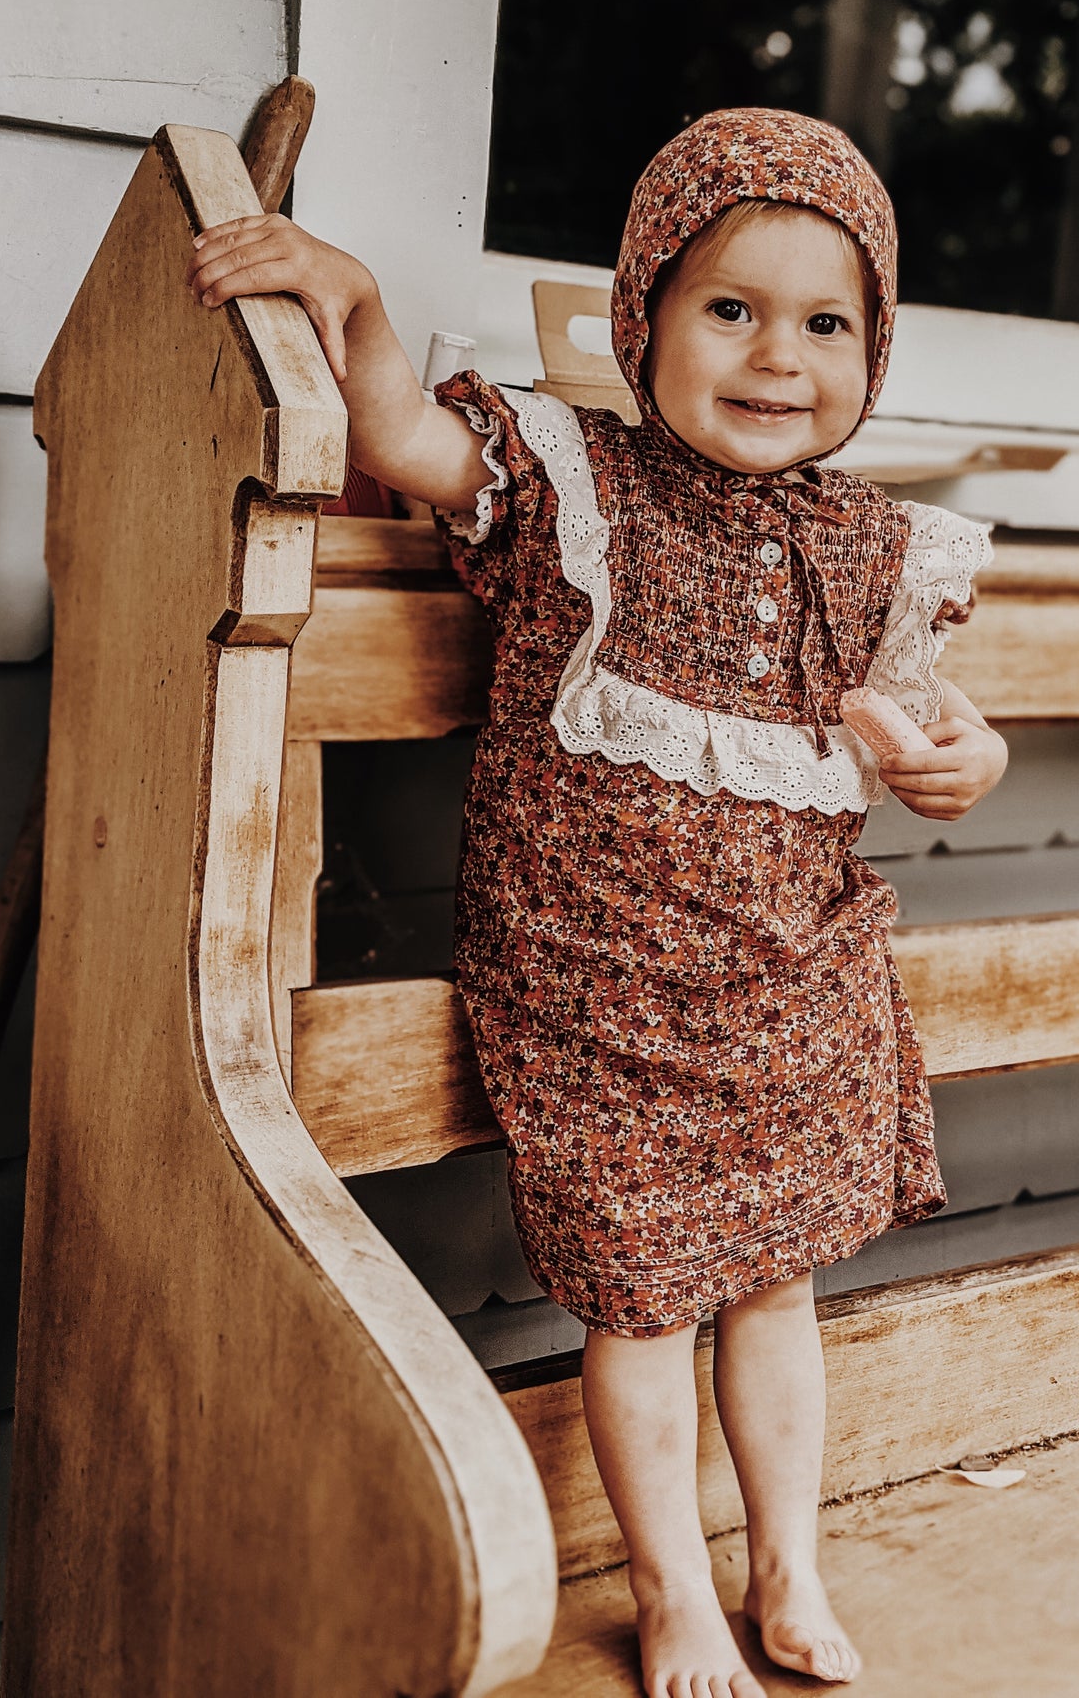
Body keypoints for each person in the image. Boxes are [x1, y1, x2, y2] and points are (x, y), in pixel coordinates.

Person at [188, 108, 1008, 1697]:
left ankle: (785, 1560)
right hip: (602, 999)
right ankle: (673, 1589)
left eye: (825, 323)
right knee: (642, 1300)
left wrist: (966, 758)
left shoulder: (870, 547)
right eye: (731, 310)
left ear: (874, 351)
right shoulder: (575, 487)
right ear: (643, 322)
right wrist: (351, 302)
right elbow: (412, 446)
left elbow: (928, 715)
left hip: (793, 987)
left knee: (775, 1280)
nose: (780, 358)